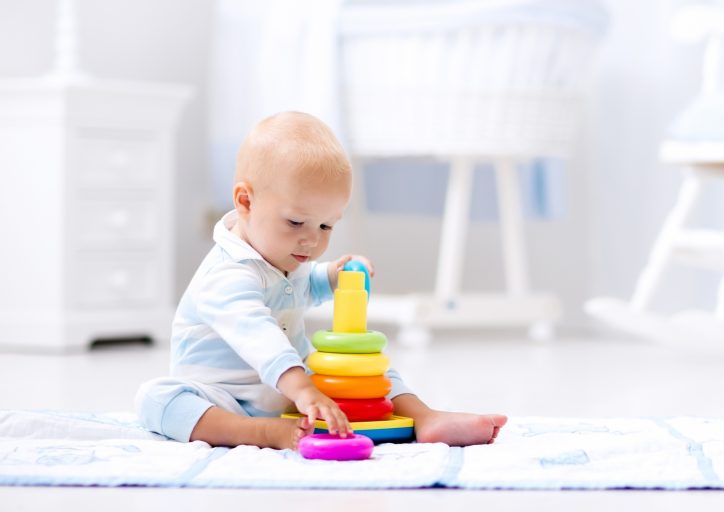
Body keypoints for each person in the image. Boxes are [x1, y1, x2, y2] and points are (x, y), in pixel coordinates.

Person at [135, 111, 507, 450]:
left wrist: (333, 275)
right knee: (157, 399)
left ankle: (424, 417)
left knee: (369, 369)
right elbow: (258, 334)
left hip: (293, 392)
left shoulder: (281, 254)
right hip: (224, 397)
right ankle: (259, 433)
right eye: (296, 222)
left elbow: (300, 285)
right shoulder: (225, 275)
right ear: (245, 201)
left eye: (326, 225)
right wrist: (303, 389)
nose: (312, 240)